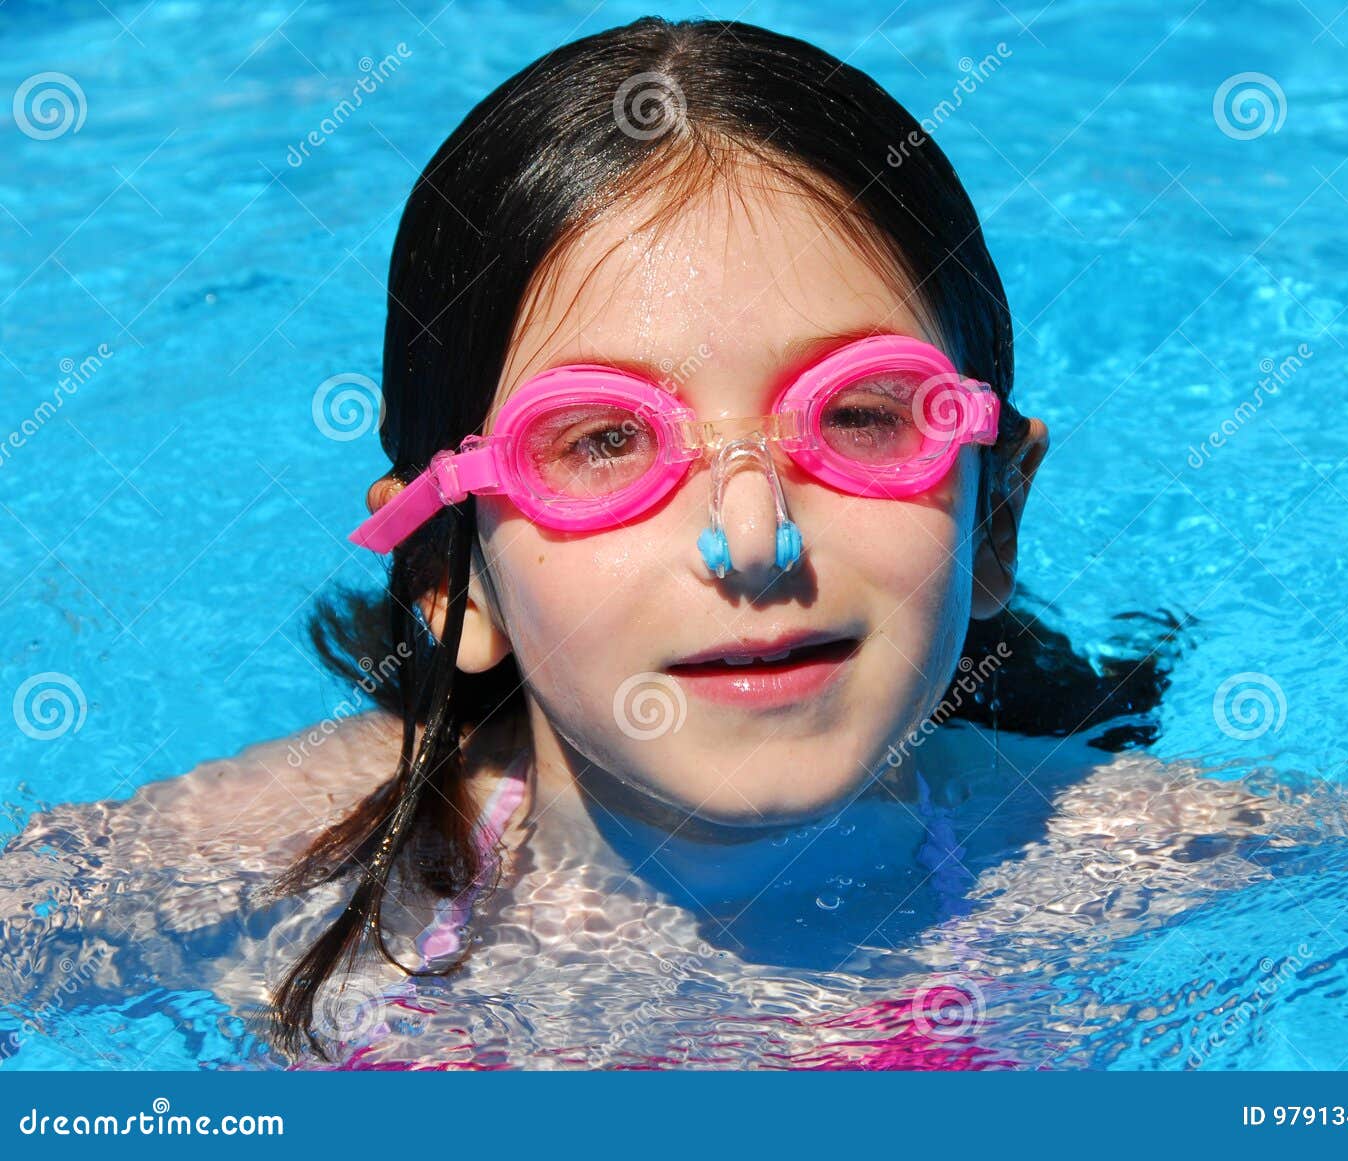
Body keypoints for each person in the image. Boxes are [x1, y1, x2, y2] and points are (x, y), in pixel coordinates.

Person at [2, 16, 1192, 1066]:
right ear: (445, 571)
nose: (752, 539)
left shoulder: (1139, 872)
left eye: (859, 416)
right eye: (604, 440)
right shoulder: (266, 875)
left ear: (995, 517)